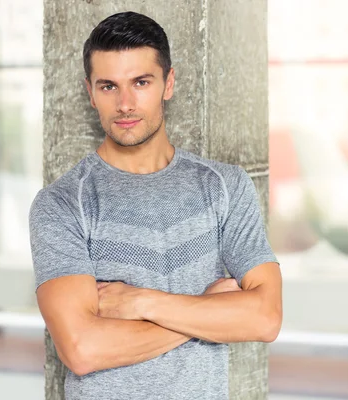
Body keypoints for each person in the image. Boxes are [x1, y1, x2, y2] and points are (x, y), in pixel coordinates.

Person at [29, 11, 282, 400]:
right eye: (109, 86)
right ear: (90, 92)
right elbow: (81, 350)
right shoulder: (62, 204)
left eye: (141, 82)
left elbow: (265, 318)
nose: (125, 103)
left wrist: (140, 302)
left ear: (169, 83)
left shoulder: (225, 186)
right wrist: (207, 312)